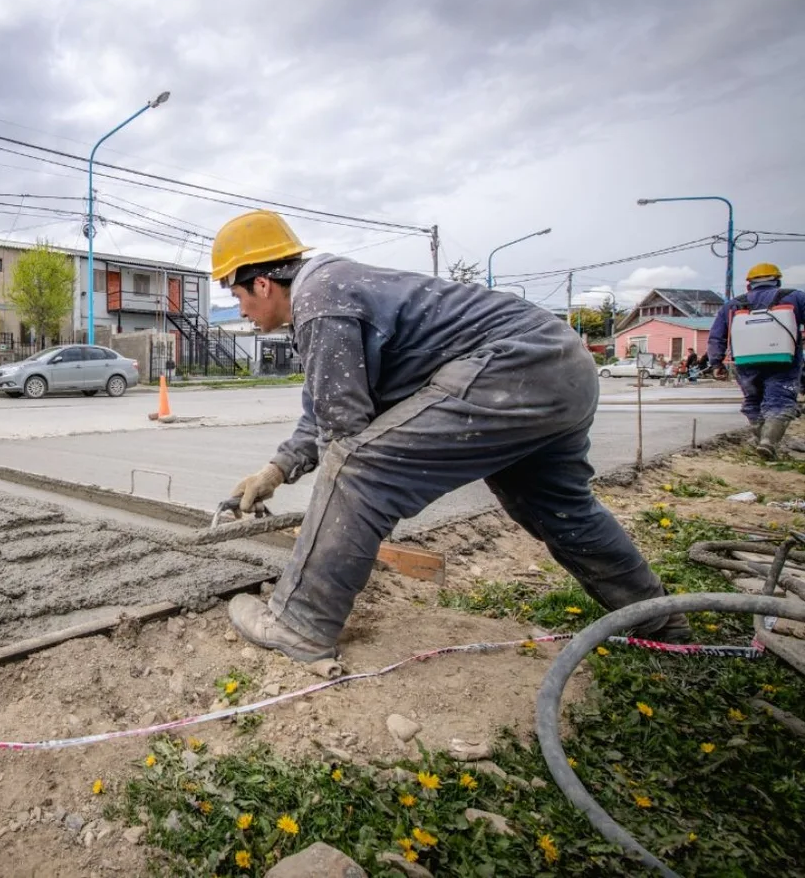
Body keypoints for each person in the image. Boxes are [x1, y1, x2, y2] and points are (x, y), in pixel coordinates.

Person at [215, 210, 688, 665]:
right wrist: (276, 471)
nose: (242, 309)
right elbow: (328, 402)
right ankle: (660, 624)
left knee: (357, 468)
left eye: (238, 296)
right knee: (558, 508)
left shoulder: (319, 299)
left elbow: (343, 432)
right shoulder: (334, 289)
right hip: (561, 366)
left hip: (511, 369)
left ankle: (300, 623)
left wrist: (344, 491)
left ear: (262, 281)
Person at [706, 263, 805, 459]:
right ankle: (769, 441)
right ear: (777, 280)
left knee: (753, 401)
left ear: (749, 284)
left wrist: (716, 363)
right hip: (784, 360)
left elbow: (717, 337)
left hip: (745, 362)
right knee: (781, 399)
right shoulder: (796, 297)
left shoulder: (733, 305)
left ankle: (762, 440)